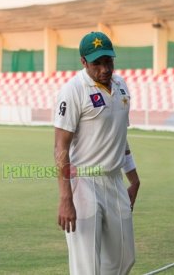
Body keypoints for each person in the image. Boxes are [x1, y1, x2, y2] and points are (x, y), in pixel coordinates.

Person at [54, 31, 140, 275]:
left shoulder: (121, 86)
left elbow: (120, 136)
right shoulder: (73, 91)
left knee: (124, 259)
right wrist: (65, 199)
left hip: (114, 181)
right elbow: (60, 147)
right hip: (83, 183)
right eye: (97, 63)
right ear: (83, 62)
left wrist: (133, 178)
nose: (104, 69)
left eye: (108, 61)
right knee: (86, 266)